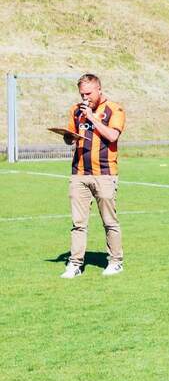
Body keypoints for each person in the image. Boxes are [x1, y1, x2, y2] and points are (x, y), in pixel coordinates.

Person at [60, 73, 126, 278]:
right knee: (78, 224)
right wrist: (68, 137)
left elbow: (112, 136)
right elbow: (70, 138)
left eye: (88, 93)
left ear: (99, 89)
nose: (85, 98)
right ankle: (75, 264)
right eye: (82, 94)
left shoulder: (114, 109)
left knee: (109, 221)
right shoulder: (75, 110)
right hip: (79, 174)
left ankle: (115, 261)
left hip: (104, 174)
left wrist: (91, 117)